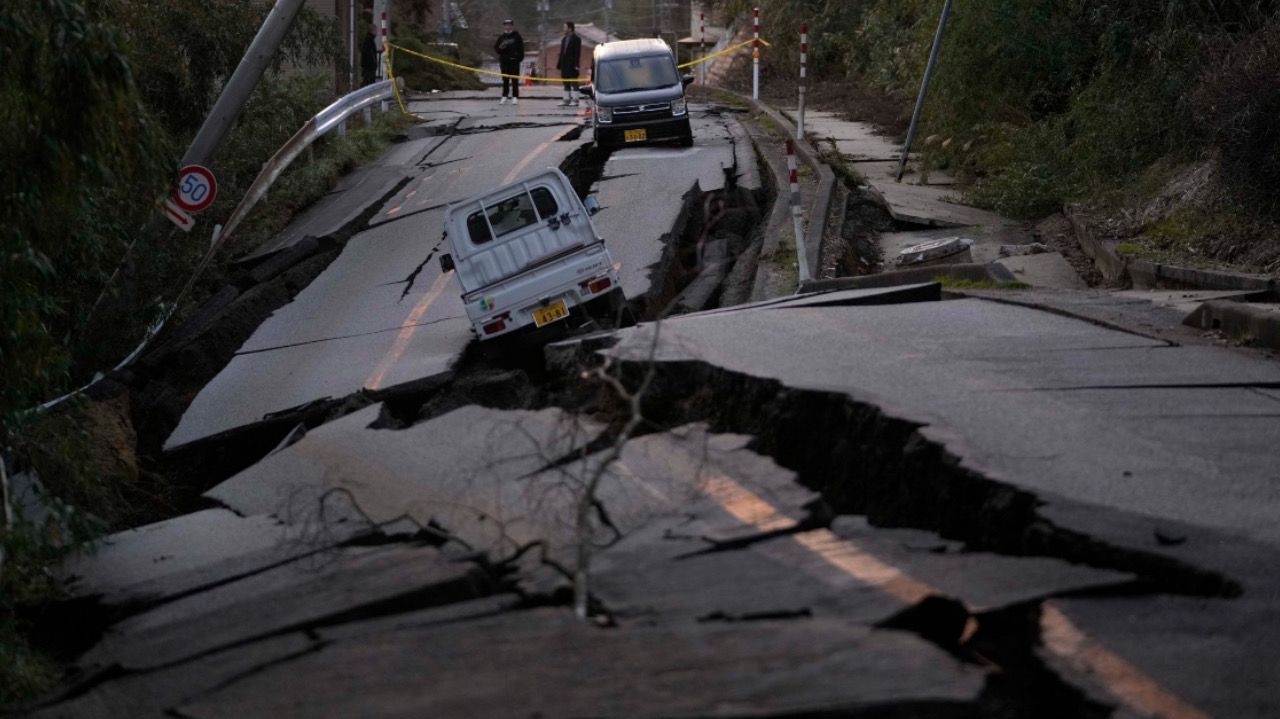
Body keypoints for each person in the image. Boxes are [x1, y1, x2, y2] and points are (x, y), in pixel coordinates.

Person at [494, 18, 524, 104]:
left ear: (512, 26)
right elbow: (497, 49)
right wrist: (501, 47)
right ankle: (504, 96)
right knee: (505, 80)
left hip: (514, 62)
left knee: (515, 80)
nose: (508, 26)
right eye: (506, 25)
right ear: (504, 26)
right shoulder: (501, 37)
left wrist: (518, 59)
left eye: (509, 25)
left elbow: (521, 49)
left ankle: (515, 96)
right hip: (504, 62)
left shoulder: (517, 36)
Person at [557, 21, 582, 107]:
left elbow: (577, 53)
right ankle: (566, 100)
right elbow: (562, 53)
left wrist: (576, 65)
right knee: (566, 82)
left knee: (574, 82)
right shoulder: (564, 39)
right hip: (564, 65)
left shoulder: (576, 39)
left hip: (572, 65)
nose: (564, 29)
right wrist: (559, 64)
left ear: (570, 29)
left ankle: (575, 101)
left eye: (565, 27)